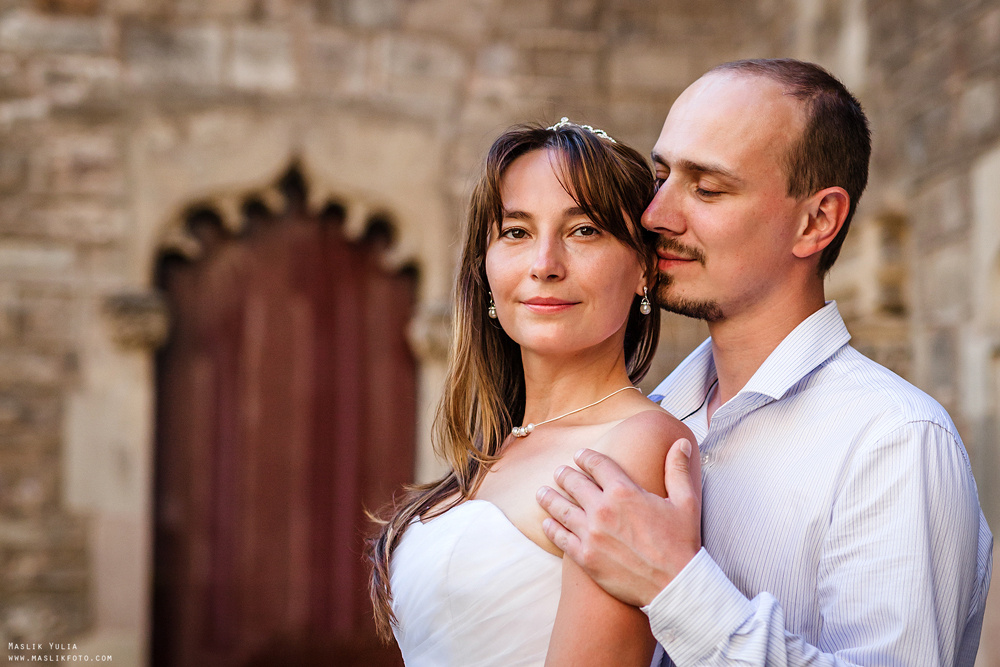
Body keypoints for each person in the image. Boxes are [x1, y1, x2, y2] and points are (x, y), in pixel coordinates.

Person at [537, 58, 994, 666]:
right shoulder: (646, 415)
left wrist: (676, 588)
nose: (655, 216)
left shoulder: (895, 441)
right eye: (663, 175)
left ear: (816, 221)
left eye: (707, 188)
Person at [367, 119, 693, 666]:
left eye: (583, 230)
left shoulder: (636, 444)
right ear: (486, 267)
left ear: (643, 267)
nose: (545, 265)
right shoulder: (500, 443)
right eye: (516, 232)